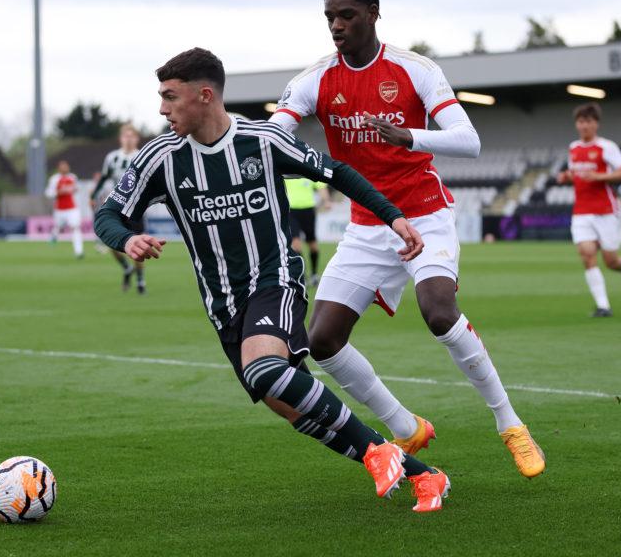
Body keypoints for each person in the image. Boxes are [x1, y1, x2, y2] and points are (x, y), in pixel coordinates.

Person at [95, 47, 450, 511]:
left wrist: (393, 217)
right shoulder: (160, 157)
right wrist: (126, 239)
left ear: (204, 96)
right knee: (290, 405)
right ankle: (427, 477)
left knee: (265, 370)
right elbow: (108, 214)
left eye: (169, 97)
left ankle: (377, 452)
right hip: (223, 305)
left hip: (274, 281)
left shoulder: (263, 140)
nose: (161, 109)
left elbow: (336, 171)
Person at [270, 0, 544, 478]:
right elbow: (276, 136)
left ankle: (511, 425)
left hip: (423, 212)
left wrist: (408, 136)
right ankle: (405, 425)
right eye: (329, 16)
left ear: (373, 13)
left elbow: (469, 140)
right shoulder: (314, 79)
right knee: (322, 340)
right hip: (366, 225)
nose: (336, 25)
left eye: (346, 15)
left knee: (438, 311)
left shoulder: (414, 69)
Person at [556, 102, 621, 316]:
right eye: (581, 121)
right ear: (577, 124)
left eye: (588, 121)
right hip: (581, 211)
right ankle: (604, 306)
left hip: (605, 211)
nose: (584, 125)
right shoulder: (573, 148)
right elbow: (576, 173)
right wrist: (566, 176)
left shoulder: (606, 147)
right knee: (587, 255)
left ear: (596, 124)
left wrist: (601, 176)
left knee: (611, 261)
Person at [91, 124, 147, 293]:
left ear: (136, 139)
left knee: (139, 244)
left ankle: (140, 281)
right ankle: (126, 268)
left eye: (132, 136)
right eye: (125, 136)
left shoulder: (141, 155)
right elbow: (104, 177)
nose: (128, 139)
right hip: (117, 207)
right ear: (121, 138)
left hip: (136, 207)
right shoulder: (112, 158)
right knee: (113, 245)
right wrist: (93, 196)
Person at [285, 177, 332, 286]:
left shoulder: (306, 171)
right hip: (291, 211)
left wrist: (327, 200)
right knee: (296, 246)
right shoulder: (287, 173)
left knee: (313, 246)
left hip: (308, 211)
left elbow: (321, 186)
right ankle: (302, 275)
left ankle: (314, 274)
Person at [44, 160, 84, 259]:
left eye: (66, 166)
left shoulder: (73, 177)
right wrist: (58, 193)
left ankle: (79, 252)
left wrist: (75, 190)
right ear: (59, 168)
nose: (66, 168)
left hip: (72, 208)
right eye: (63, 166)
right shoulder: (55, 179)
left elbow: (76, 188)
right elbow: (48, 193)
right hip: (59, 209)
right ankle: (54, 237)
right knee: (59, 228)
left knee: (75, 228)